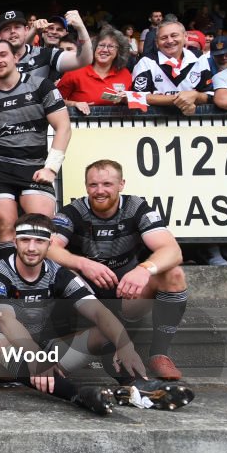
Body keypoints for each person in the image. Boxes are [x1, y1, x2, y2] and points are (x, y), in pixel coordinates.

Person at [0, 214, 193, 414]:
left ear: (49, 244)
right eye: (25, 240)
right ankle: (78, 396)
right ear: (15, 242)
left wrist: (125, 345)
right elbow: (4, 319)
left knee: (105, 332)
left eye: (39, 241)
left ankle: (137, 390)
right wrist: (36, 356)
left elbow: (100, 312)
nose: (32, 248)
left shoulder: (58, 273)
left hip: (45, 356)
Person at [48, 159, 191, 379]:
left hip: (126, 293)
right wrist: (83, 263)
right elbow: (49, 249)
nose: (100, 191)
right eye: (93, 185)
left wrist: (144, 269)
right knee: (61, 270)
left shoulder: (136, 207)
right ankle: (65, 342)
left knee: (173, 273)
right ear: (86, 186)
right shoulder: (73, 211)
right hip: (87, 296)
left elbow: (173, 251)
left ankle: (159, 354)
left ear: (121, 184)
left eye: (107, 184)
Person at [0, 39, 72, 258]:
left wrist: (51, 168)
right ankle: (7, 282)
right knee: (5, 227)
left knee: (39, 227)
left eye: (3, 55)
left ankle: (41, 284)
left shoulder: (41, 86)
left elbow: (63, 127)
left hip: (35, 167)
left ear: (15, 57)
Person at [130, 21, 214, 115]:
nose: (170, 41)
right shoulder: (146, 62)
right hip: (155, 122)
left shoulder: (199, 58)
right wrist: (178, 99)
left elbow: (210, 95)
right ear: (157, 43)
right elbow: (136, 96)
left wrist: (196, 95)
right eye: (163, 38)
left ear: (185, 37)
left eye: (174, 35)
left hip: (192, 122)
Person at [57, 27, 135, 115]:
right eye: (101, 45)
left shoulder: (125, 74)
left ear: (119, 51)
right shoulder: (75, 71)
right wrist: (74, 104)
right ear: (94, 48)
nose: (105, 50)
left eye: (111, 46)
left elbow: (133, 102)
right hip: (80, 124)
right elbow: (54, 101)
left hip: (116, 126)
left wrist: (126, 100)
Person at [0, 9, 91, 80]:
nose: (12, 31)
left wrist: (81, 28)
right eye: (6, 29)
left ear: (26, 30)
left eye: (17, 27)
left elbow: (83, 60)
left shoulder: (44, 54)